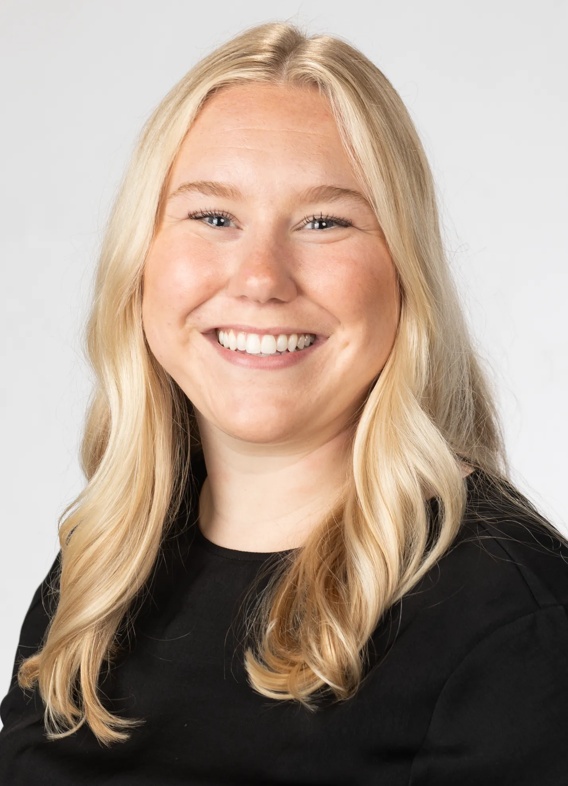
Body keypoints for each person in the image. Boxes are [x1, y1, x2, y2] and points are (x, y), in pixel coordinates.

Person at [1, 20, 567, 786]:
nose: (261, 278)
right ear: (140, 260)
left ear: (405, 273)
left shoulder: (516, 621)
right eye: (213, 217)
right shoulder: (101, 573)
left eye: (324, 222)